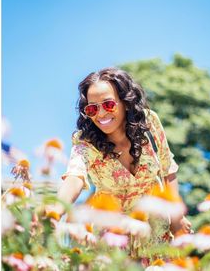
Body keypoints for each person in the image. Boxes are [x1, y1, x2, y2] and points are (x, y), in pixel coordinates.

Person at [48, 67, 192, 247]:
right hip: (113, 241)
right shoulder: (85, 142)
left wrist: (177, 220)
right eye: (92, 108)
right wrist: (56, 210)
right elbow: (74, 177)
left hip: (157, 237)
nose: (100, 114)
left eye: (108, 104)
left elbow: (167, 169)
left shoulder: (150, 123)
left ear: (125, 102)